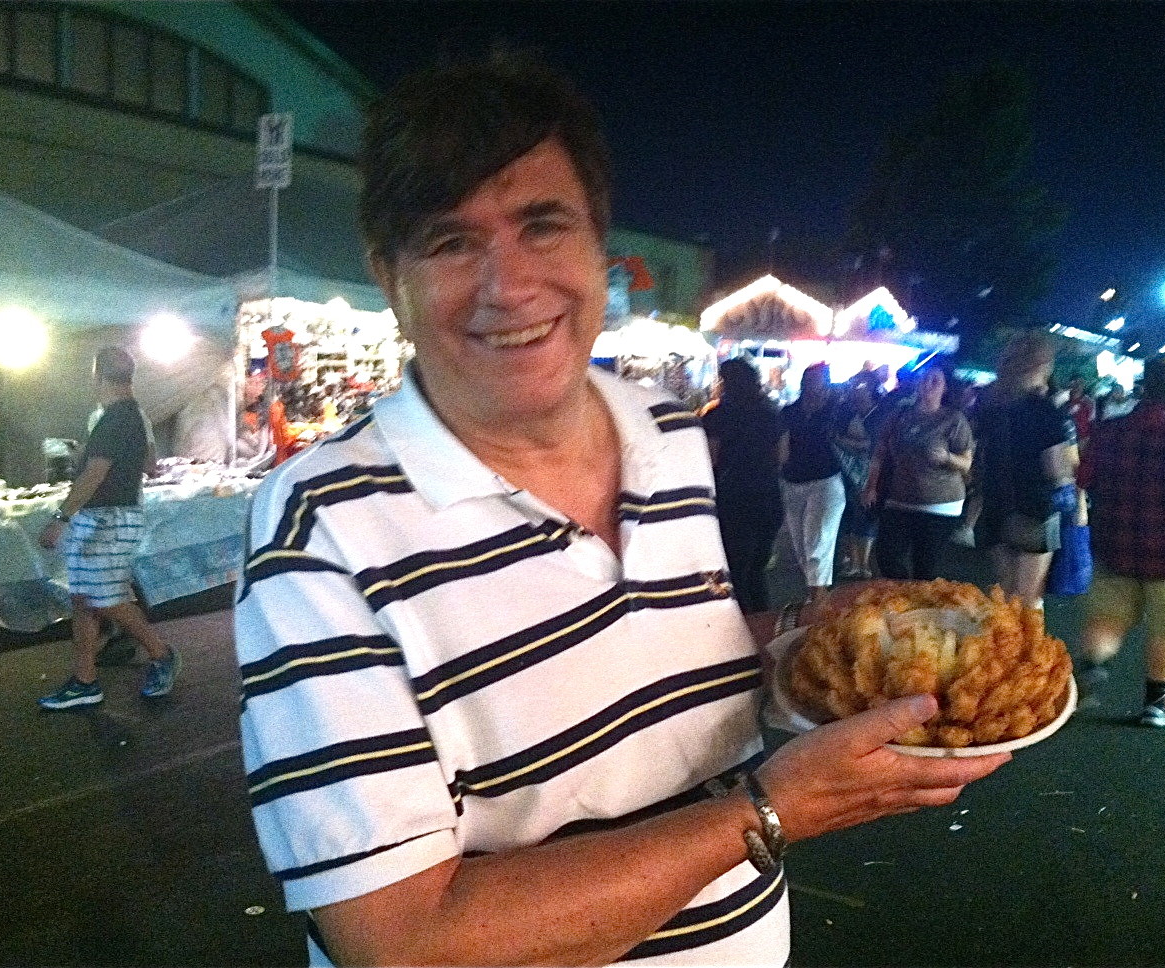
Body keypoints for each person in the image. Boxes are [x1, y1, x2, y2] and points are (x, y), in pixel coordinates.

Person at [233, 55, 1007, 968]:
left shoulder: (669, 431)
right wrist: (768, 812)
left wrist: (805, 629)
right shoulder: (321, 524)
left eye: (541, 226)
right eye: (449, 242)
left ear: (601, 249)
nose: (506, 285)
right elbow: (403, 942)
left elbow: (643, 666)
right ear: (388, 278)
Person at [38, 347, 181, 708]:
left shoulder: (116, 418)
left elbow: (95, 473)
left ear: (97, 375)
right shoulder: (131, 416)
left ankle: (161, 653)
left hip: (109, 519)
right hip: (108, 516)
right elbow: (149, 464)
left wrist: (60, 517)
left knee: (104, 598)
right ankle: (85, 680)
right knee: (84, 598)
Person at [1076, 357, 1165, 727]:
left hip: (1115, 543)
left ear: (1144, 385)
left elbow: (1085, 478)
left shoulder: (1111, 430)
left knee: (1108, 618)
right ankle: (1157, 705)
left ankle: (1092, 668)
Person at [971, 333, 1081, 609]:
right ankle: (1029, 650)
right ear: (1042, 365)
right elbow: (1057, 470)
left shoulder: (990, 407)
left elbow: (977, 456)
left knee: (1006, 593)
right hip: (1035, 511)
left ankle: (1003, 647)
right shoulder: (1047, 412)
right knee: (1029, 596)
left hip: (994, 507)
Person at [864, 367, 974, 580]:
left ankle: (918, 607)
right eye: (925, 379)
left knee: (925, 568)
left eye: (936, 381)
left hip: (941, 504)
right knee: (886, 557)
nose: (928, 384)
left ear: (945, 388)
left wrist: (947, 458)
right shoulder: (900, 416)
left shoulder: (954, 420)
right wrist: (871, 486)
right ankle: (903, 599)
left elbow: (966, 463)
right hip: (899, 499)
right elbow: (880, 453)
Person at [702, 356, 783, 613]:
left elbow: (710, 458)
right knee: (757, 569)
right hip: (767, 496)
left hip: (733, 498)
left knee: (735, 570)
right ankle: (764, 622)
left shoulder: (717, 416)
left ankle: (743, 629)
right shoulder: (770, 413)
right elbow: (782, 456)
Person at [778, 362, 845, 607]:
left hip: (825, 481)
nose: (819, 387)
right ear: (804, 383)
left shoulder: (837, 412)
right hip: (793, 482)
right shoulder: (789, 412)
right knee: (801, 546)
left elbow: (858, 441)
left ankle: (817, 601)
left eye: (823, 382)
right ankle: (816, 596)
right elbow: (782, 450)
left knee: (818, 542)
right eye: (814, 381)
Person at [832, 380, 883, 579]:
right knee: (848, 517)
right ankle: (852, 561)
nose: (855, 391)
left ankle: (863, 564)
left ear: (871, 392)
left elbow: (871, 445)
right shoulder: (848, 411)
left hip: (868, 473)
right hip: (846, 472)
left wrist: (842, 441)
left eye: (861, 387)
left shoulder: (878, 416)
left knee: (866, 517)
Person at [1064, 376, 1096, 446]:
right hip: (1065, 437)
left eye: (1080, 383)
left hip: (1082, 436)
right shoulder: (1063, 399)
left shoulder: (1089, 401)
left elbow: (1091, 420)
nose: (1077, 385)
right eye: (1074, 382)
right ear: (1070, 384)